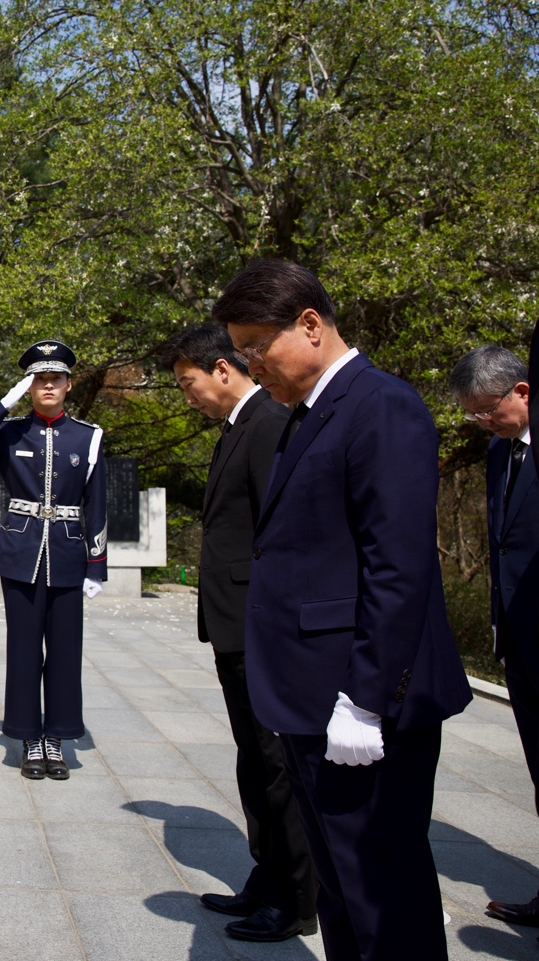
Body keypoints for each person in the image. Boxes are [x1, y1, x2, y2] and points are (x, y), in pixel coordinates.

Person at [215, 259, 471, 961]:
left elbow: (399, 566)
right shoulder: (310, 413)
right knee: (341, 889)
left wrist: (363, 698)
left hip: (361, 700)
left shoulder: (380, 404)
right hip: (310, 695)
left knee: (383, 892)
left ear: (310, 325)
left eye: (256, 346)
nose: (251, 363)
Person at [159, 324, 317, 943]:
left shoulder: (269, 423)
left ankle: (298, 896)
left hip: (262, 622)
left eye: (188, 383)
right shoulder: (237, 427)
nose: (188, 396)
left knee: (278, 762)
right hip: (235, 621)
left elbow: (281, 532)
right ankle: (267, 873)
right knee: (254, 758)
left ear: (223, 370)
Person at [0, 340, 107, 780]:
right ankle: (27, 738)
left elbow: (96, 504)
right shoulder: (9, 431)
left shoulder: (88, 437)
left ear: (68, 385)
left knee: (64, 652)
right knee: (23, 652)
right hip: (20, 554)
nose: (48, 386)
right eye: (39, 380)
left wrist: (97, 565)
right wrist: (4, 404)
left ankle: (55, 737)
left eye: (55, 378)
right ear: (30, 386)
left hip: (68, 553)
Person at [448, 346, 539, 926]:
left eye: (488, 410)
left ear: (523, 392)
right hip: (519, 641)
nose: (483, 421)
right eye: (473, 415)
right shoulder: (499, 452)